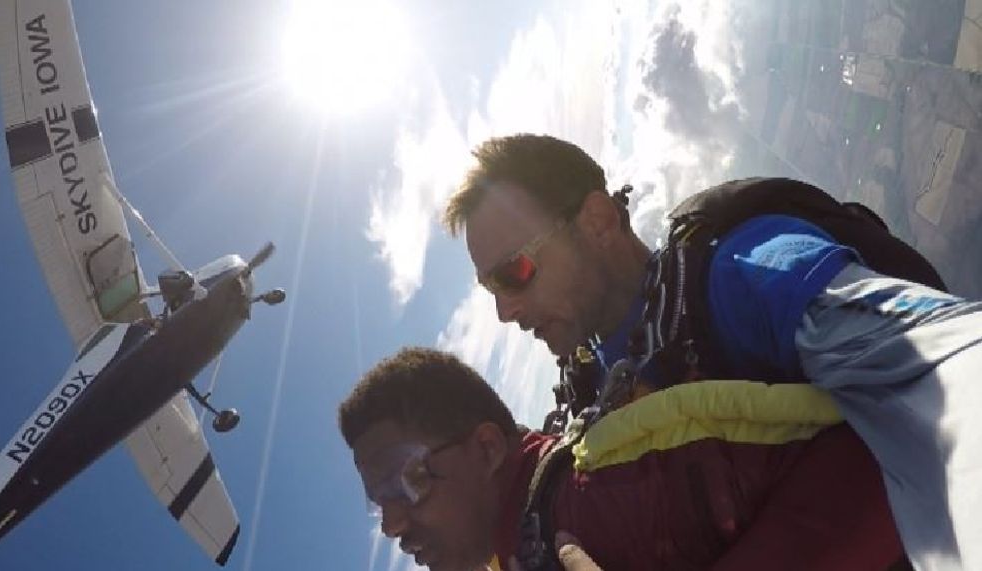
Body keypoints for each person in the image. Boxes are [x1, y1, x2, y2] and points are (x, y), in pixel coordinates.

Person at [443, 133, 982, 570]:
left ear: (599, 222)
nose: (504, 313)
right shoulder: (585, 406)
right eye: (491, 291)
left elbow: (948, 370)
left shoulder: (744, 275)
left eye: (514, 273)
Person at [340, 347, 903, 571]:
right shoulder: (525, 545)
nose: (391, 524)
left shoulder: (603, 486)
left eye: (406, 481)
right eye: (378, 503)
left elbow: (874, 465)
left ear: (487, 448)